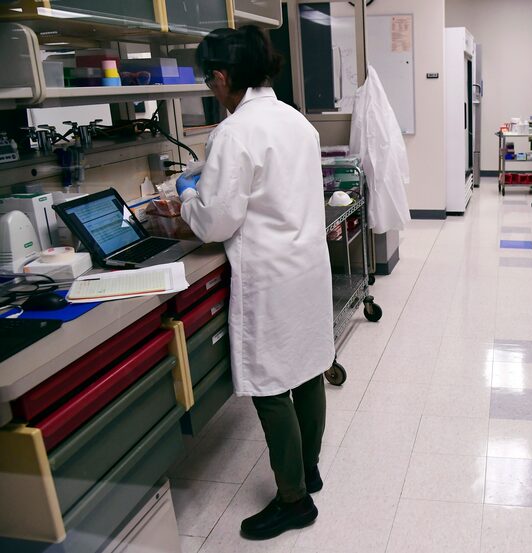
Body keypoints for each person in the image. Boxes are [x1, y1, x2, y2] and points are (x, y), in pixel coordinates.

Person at [177, 26, 334, 540]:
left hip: (268, 275)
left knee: (269, 386)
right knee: (308, 369)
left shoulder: (235, 132)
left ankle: (293, 500)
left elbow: (217, 220)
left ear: (222, 78)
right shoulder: (297, 122)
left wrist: (185, 197)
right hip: (307, 267)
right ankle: (307, 469)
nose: (210, 88)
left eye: (209, 80)